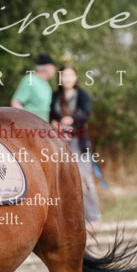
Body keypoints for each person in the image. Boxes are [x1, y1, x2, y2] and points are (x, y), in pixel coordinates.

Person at [50, 63, 101, 232]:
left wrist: (71, 119)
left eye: (70, 75)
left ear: (76, 77)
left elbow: (85, 114)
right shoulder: (55, 96)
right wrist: (55, 123)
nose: (67, 78)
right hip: (60, 143)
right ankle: (72, 219)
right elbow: (51, 116)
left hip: (78, 142)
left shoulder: (82, 95)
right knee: (63, 182)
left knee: (84, 179)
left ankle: (94, 218)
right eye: (64, 75)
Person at [10, 54, 56, 121]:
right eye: (53, 66)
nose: (54, 69)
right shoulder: (30, 80)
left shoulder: (46, 83)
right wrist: (26, 120)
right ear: (47, 67)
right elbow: (15, 102)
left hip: (43, 128)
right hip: (30, 128)